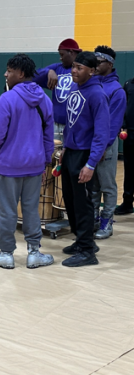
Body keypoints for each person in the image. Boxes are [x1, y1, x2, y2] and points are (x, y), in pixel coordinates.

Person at [0, 54, 55, 269]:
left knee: (7, 211)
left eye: (9, 70)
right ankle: (34, 253)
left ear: (21, 73)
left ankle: (6, 254)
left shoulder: (7, 98)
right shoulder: (45, 99)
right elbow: (48, 136)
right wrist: (45, 161)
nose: (5, 74)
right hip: (35, 164)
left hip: (10, 164)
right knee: (31, 210)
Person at [59, 52, 110, 267]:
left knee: (83, 203)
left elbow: (102, 133)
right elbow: (71, 123)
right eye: (73, 66)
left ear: (92, 70)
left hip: (84, 154)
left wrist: (90, 164)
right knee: (70, 200)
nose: (74, 71)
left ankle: (88, 251)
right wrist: (65, 147)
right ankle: (82, 239)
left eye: (79, 68)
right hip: (71, 151)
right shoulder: (75, 88)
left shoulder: (97, 95)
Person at [91, 46, 127, 238]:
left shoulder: (117, 91)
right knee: (93, 185)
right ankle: (93, 220)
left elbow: (113, 124)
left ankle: (107, 222)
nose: (96, 65)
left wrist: (103, 146)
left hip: (106, 145)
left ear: (110, 64)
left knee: (107, 185)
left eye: (100, 62)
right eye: (94, 61)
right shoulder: (92, 85)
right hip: (90, 143)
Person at [33, 38, 82, 135]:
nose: (60, 58)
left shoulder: (82, 71)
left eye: (62, 55)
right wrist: (48, 71)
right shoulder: (57, 68)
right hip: (55, 123)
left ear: (71, 52)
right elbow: (33, 77)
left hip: (74, 124)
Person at [115, 73, 134, 215]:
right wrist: (123, 125)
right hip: (130, 133)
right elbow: (123, 107)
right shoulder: (128, 84)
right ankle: (127, 203)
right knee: (130, 169)